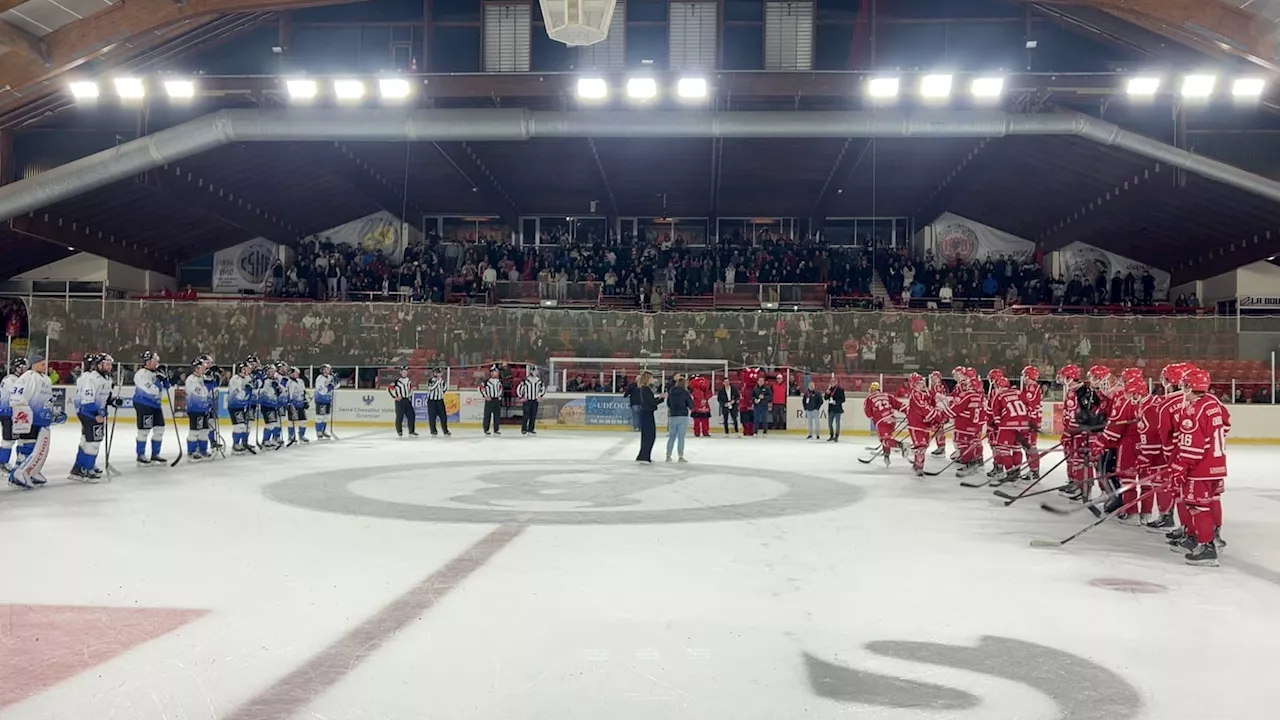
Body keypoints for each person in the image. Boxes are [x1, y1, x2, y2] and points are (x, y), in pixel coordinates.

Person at [1168, 368, 1229, 566]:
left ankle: (1206, 548)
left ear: (1190, 386)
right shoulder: (1214, 403)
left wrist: (1181, 467)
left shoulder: (1194, 409)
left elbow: (1192, 446)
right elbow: (1225, 425)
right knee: (1210, 502)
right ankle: (1209, 540)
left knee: (1198, 507)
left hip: (1200, 469)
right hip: (1217, 465)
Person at [8, 353, 60, 489]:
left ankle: (30, 471)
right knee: (28, 445)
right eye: (43, 364)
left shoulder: (46, 379)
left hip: (41, 419)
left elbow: (46, 399)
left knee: (37, 446)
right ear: (34, 365)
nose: (45, 366)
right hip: (29, 418)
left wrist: (51, 412)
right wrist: (23, 414)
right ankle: (19, 474)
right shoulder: (28, 377)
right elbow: (17, 397)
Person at [71, 353, 118, 481]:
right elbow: (87, 399)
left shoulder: (107, 378)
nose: (110, 367)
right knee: (93, 443)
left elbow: (105, 397)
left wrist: (113, 401)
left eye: (110, 364)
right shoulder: (91, 378)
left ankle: (79, 469)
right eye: (107, 364)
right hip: (88, 412)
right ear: (99, 365)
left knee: (87, 441)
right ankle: (87, 469)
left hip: (95, 412)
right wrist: (97, 414)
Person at [133, 350, 170, 465]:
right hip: (144, 404)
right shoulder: (141, 374)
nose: (157, 363)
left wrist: (165, 379)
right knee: (144, 431)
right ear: (147, 362)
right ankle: (140, 455)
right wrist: (159, 381)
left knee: (160, 429)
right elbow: (152, 390)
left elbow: (167, 388)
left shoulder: (156, 373)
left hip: (156, 405)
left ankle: (155, 454)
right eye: (155, 361)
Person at [863, 381, 902, 466]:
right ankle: (886, 455)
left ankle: (901, 446)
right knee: (887, 438)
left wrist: (874, 418)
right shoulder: (886, 395)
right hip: (892, 420)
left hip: (882, 421)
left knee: (885, 440)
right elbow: (898, 404)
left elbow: (868, 413)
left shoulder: (869, 398)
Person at [0, 357, 27, 472]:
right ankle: (2, 464)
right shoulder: (11, 380)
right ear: (17, 368)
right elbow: (18, 396)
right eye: (23, 367)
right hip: (8, 413)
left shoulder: (13, 379)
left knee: (14, 439)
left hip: (14, 414)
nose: (25, 369)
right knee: (8, 440)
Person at [185, 359, 213, 461]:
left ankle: (203, 450)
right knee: (194, 431)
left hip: (203, 408)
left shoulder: (202, 378)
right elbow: (201, 393)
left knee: (204, 430)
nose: (204, 369)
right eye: (202, 367)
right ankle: (191, 452)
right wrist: (208, 386)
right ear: (196, 368)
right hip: (195, 409)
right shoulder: (191, 380)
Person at [227, 362, 256, 454]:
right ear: (242, 369)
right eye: (247, 368)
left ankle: (244, 443)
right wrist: (247, 390)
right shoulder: (235, 379)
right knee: (239, 426)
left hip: (244, 405)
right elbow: (239, 395)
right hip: (235, 406)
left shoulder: (248, 378)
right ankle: (235, 445)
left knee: (246, 426)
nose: (249, 370)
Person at [634, 371, 663, 463]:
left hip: (647, 413)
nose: (653, 379)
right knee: (649, 436)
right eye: (651, 378)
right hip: (646, 414)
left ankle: (644, 456)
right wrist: (661, 399)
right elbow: (652, 402)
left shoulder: (645, 389)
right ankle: (644, 456)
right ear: (648, 379)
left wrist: (660, 398)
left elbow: (651, 401)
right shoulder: (645, 389)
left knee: (648, 436)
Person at [664, 374, 692, 462]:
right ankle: (680, 456)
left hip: (673, 416)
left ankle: (668, 455)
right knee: (681, 437)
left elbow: (668, 403)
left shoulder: (671, 392)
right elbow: (691, 405)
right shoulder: (685, 392)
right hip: (683, 416)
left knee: (671, 437)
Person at [517, 366, 545, 435]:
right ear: (531, 371)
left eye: (536, 371)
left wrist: (540, 396)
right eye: (534, 371)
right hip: (527, 400)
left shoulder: (539, 381)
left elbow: (543, 389)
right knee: (526, 415)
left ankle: (531, 429)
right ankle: (524, 429)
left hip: (535, 400)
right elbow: (519, 389)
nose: (536, 372)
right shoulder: (525, 380)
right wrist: (521, 397)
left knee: (533, 415)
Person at [389, 365, 416, 437]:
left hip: (407, 400)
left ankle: (411, 431)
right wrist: (395, 397)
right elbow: (389, 388)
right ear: (400, 372)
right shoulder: (397, 381)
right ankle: (399, 431)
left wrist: (410, 396)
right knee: (399, 416)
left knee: (411, 416)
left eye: (406, 371)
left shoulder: (409, 381)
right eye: (403, 371)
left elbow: (411, 389)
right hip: (400, 401)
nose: (404, 373)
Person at [285, 366, 309, 445]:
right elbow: (288, 394)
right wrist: (289, 403)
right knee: (291, 421)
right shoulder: (289, 382)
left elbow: (304, 392)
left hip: (300, 404)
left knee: (303, 421)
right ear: (291, 374)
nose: (298, 373)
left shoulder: (301, 381)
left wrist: (305, 401)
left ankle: (301, 435)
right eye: (296, 372)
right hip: (293, 404)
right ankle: (291, 436)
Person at [424, 367, 450, 436]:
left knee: (443, 416)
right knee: (432, 416)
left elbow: (444, 390)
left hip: (440, 401)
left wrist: (444, 384)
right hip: (432, 401)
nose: (438, 374)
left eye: (439, 373)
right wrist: (437, 381)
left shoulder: (442, 381)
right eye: (437, 372)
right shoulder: (431, 380)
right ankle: (433, 430)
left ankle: (445, 430)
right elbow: (431, 388)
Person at [313, 364, 336, 440]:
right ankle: (319, 431)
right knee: (320, 416)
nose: (329, 370)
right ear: (323, 370)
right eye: (327, 369)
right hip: (321, 399)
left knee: (325, 417)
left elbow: (335, 386)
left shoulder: (330, 377)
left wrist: (336, 381)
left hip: (328, 400)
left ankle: (323, 431)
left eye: (329, 369)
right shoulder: (320, 378)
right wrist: (329, 388)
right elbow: (321, 390)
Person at [480, 365, 503, 436]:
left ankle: (496, 429)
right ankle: (486, 429)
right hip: (490, 400)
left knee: (497, 415)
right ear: (492, 373)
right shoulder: (487, 381)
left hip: (496, 400)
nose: (497, 373)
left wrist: (499, 396)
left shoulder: (498, 381)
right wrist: (485, 396)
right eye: (496, 372)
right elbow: (481, 388)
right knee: (487, 415)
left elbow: (500, 389)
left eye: (497, 372)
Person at [823, 377, 845, 442]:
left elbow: (843, 399)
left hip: (838, 409)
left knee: (837, 423)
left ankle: (836, 436)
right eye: (831, 382)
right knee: (830, 423)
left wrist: (836, 402)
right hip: (831, 409)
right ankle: (831, 435)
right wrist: (827, 393)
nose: (832, 383)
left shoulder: (840, 390)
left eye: (833, 382)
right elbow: (825, 398)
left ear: (836, 382)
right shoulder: (829, 389)